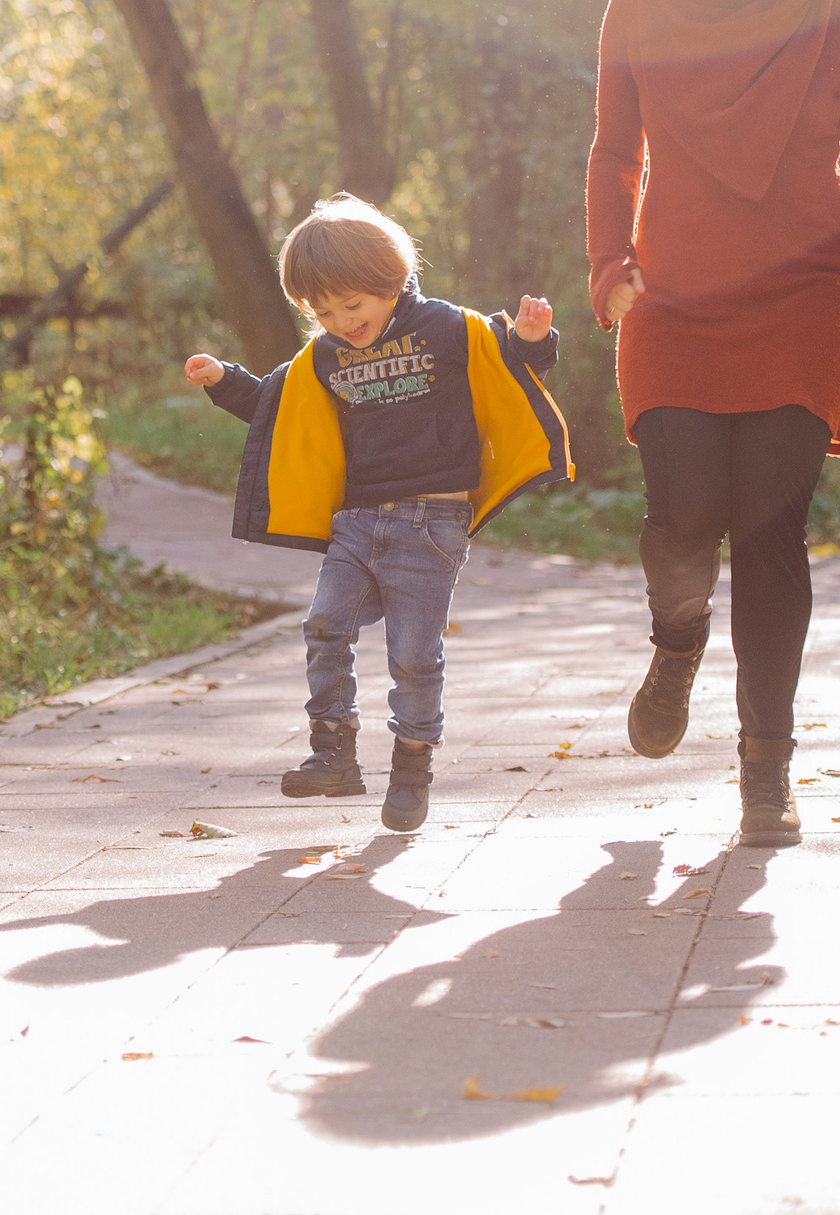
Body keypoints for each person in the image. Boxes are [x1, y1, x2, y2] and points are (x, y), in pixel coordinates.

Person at [583, 0, 840, 849]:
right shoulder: (634, 11)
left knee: (769, 530)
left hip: (803, 302)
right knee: (682, 518)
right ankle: (676, 639)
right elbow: (611, 153)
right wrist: (608, 261)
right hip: (674, 302)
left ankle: (765, 774)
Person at [185, 196, 572, 832]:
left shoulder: (450, 327)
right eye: (323, 312)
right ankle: (332, 753)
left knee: (414, 655)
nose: (341, 322)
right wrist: (224, 380)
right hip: (357, 521)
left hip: (433, 521)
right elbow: (277, 412)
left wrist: (533, 340)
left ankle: (413, 763)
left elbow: (510, 367)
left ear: (389, 281)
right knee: (324, 624)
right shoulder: (324, 356)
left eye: (353, 305)